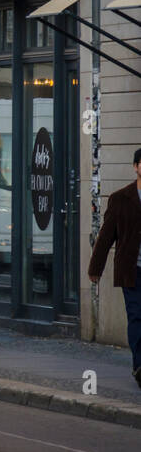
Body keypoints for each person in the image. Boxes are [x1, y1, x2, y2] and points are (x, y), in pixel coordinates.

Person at [87, 147, 141, 389]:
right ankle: (139, 366)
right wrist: (95, 269)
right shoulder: (120, 198)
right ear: (136, 167)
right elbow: (106, 236)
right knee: (137, 317)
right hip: (133, 270)